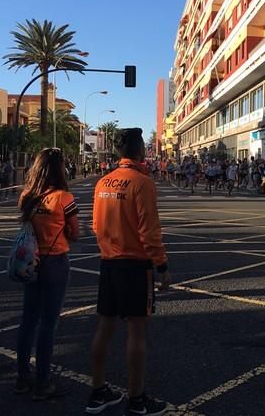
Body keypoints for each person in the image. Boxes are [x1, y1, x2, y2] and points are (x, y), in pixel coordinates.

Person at [88, 128, 171, 416]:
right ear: (139, 152)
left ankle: (98, 392)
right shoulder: (142, 183)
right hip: (135, 265)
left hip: (108, 262)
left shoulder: (103, 182)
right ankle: (137, 399)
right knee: (137, 332)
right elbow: (150, 231)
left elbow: (96, 226)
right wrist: (161, 265)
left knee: (105, 328)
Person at [15, 148, 79, 400]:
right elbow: (75, 232)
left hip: (30, 260)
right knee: (48, 324)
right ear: (59, 169)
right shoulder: (64, 197)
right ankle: (42, 382)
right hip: (55, 262)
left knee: (28, 319)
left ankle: (22, 377)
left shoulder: (27, 195)